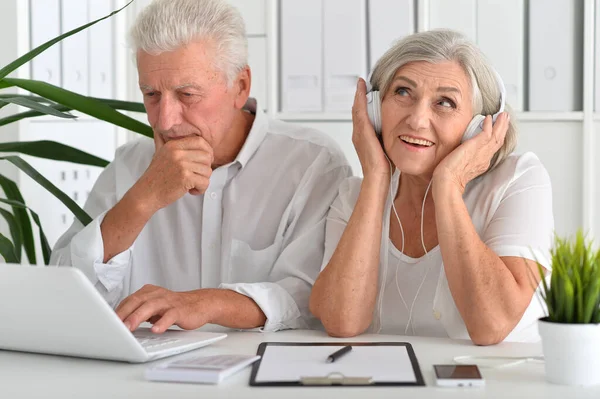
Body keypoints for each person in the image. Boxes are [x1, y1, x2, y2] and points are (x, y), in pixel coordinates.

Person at [50, 0, 351, 334]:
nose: (165, 120)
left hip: (262, 372)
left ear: (240, 86)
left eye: (187, 95)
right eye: (151, 94)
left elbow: (311, 295)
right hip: (147, 376)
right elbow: (65, 289)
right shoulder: (129, 165)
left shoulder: (312, 163)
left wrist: (206, 303)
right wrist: (142, 200)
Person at [309, 30, 554, 345]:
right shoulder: (353, 196)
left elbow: (492, 324)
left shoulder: (517, 180)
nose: (417, 119)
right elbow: (342, 322)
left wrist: (448, 186)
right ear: (373, 109)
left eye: (445, 102)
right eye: (402, 92)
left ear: (478, 127)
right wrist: (375, 178)